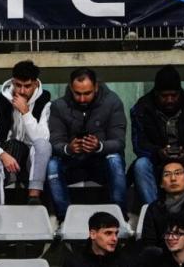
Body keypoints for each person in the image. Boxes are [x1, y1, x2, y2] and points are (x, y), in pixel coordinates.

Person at [47, 67, 127, 222]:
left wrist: (99, 146)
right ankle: (64, 219)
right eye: (77, 93)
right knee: (52, 164)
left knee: (115, 159)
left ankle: (120, 217)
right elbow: (55, 142)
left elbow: (119, 142)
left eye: (87, 93)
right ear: (71, 87)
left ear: (96, 87)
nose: (82, 99)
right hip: (72, 163)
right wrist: (69, 148)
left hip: (100, 162)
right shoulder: (59, 106)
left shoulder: (112, 102)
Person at [131, 65, 184, 206]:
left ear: (180, 93)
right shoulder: (142, 108)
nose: (170, 100)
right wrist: (158, 152)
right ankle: (154, 210)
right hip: (157, 160)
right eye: (164, 96)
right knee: (141, 165)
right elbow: (139, 144)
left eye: (174, 95)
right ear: (156, 94)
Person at [0, 60, 52, 207]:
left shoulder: (45, 103)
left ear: (36, 84)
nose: (21, 91)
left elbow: (43, 140)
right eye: (18, 85)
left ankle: (34, 196)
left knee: (43, 144)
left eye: (27, 86)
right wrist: (2, 155)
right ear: (13, 82)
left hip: (32, 163)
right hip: (7, 157)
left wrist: (26, 113)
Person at [140, 160, 184, 250]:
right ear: (161, 184)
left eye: (178, 173)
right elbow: (149, 242)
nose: (173, 179)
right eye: (167, 174)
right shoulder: (154, 208)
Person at [62, 212, 130, 267]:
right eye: (108, 233)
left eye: (116, 233)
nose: (115, 238)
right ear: (93, 234)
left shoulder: (124, 261)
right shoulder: (74, 262)